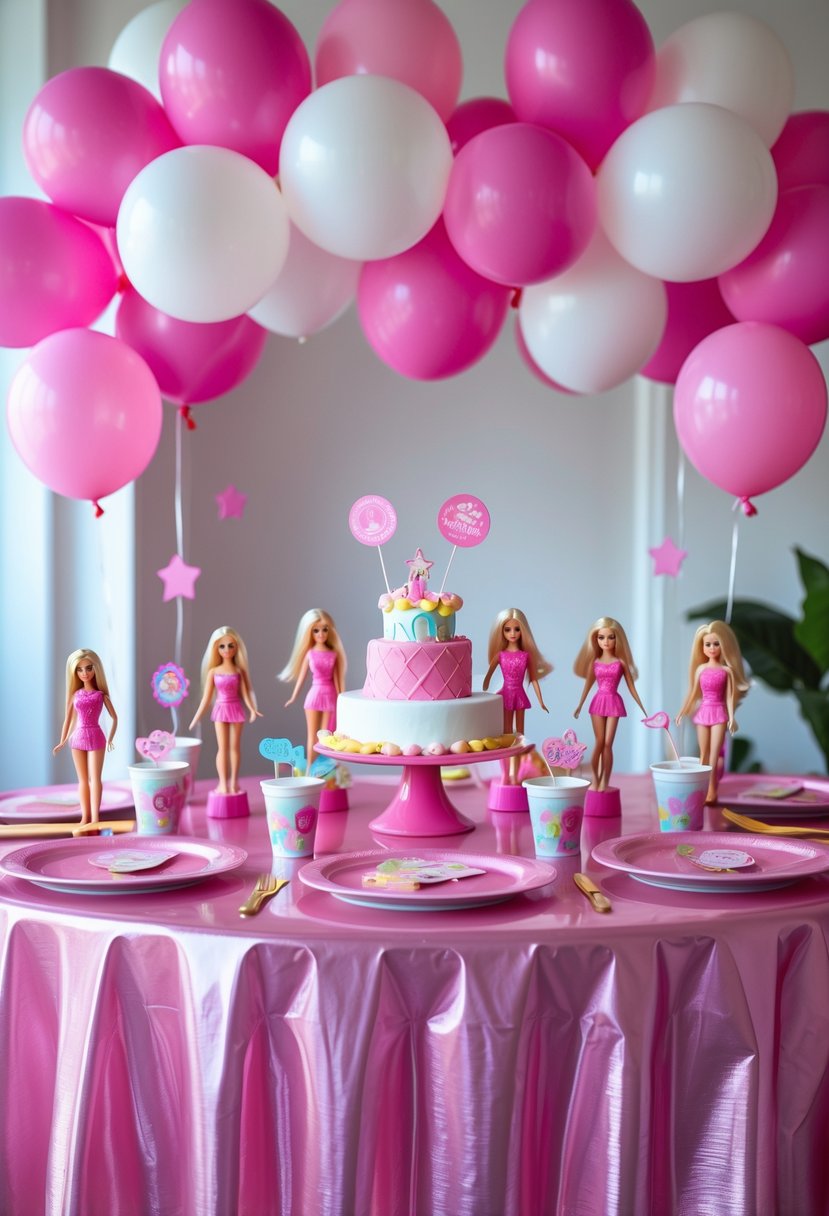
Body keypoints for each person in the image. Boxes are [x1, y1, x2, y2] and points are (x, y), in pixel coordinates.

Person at [676, 620, 750, 803]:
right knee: (703, 755)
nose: (711, 648)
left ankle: (712, 791)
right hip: (703, 713)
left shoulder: (727, 671)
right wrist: (682, 712)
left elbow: (729, 697)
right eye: (707, 644)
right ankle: (700, 790)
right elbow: (692, 693)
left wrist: (732, 718)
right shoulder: (700, 669)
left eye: (716, 644)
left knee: (715, 755)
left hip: (719, 714)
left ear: (723, 645)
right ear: (702, 647)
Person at [573, 617, 646, 792]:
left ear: (617, 639)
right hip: (598, 702)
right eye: (601, 637)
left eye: (610, 637)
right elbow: (588, 685)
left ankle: (605, 780)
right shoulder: (595, 662)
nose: (606, 641)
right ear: (596, 639)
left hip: (613, 701)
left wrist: (642, 707)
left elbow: (631, 687)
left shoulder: (620, 663)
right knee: (599, 742)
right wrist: (580, 705)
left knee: (607, 744)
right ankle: (595, 779)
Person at [189, 627, 262, 795]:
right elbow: (206, 698)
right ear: (215, 648)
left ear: (237, 647)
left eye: (231, 645)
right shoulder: (213, 672)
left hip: (236, 708)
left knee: (234, 748)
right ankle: (222, 783)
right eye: (222, 646)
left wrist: (252, 709)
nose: (226, 650)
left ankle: (234, 782)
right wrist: (196, 717)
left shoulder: (239, 671)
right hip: (221, 709)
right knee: (222, 748)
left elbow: (245, 693)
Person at [483, 608, 551, 781]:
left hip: (519, 694)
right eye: (508, 629)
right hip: (506, 694)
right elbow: (489, 674)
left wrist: (541, 701)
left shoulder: (526, 656)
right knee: (506, 736)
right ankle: (506, 774)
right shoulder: (500, 655)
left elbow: (533, 679)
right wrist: (485, 686)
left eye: (516, 629)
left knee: (520, 736)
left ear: (523, 631)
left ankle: (515, 774)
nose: (512, 633)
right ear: (501, 632)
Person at [53, 648, 118, 824]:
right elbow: (68, 720)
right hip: (78, 737)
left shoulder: (101, 696)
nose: (84, 673)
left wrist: (110, 738)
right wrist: (62, 741)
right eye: (79, 669)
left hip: (96, 736)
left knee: (95, 779)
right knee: (82, 780)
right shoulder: (75, 695)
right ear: (74, 672)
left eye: (89, 668)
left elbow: (115, 718)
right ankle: (85, 817)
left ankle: (95, 817)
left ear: (96, 668)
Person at [280, 610, 346, 774]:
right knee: (311, 735)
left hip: (330, 696)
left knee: (325, 737)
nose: (321, 634)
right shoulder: (310, 654)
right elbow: (301, 679)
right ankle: (310, 769)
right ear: (309, 632)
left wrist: (342, 700)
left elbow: (338, 681)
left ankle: (322, 770)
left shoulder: (334, 655)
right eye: (316, 630)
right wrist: (293, 697)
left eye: (325, 629)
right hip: (314, 695)